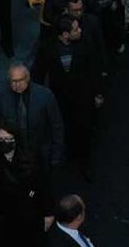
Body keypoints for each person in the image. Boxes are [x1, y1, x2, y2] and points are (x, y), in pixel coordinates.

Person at [33, 17, 104, 180]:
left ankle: (85, 163)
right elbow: (38, 72)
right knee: (64, 128)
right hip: (60, 98)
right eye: (76, 30)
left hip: (83, 95)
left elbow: (94, 68)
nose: (80, 31)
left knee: (84, 129)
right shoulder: (48, 48)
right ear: (65, 35)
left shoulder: (84, 44)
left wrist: (98, 93)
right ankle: (70, 156)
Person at [0, 63, 65, 170]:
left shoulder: (45, 95)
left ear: (28, 78)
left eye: (20, 80)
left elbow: (56, 126)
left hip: (41, 153)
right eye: (13, 81)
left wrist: (56, 155)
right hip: (15, 153)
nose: (17, 84)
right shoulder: (3, 98)